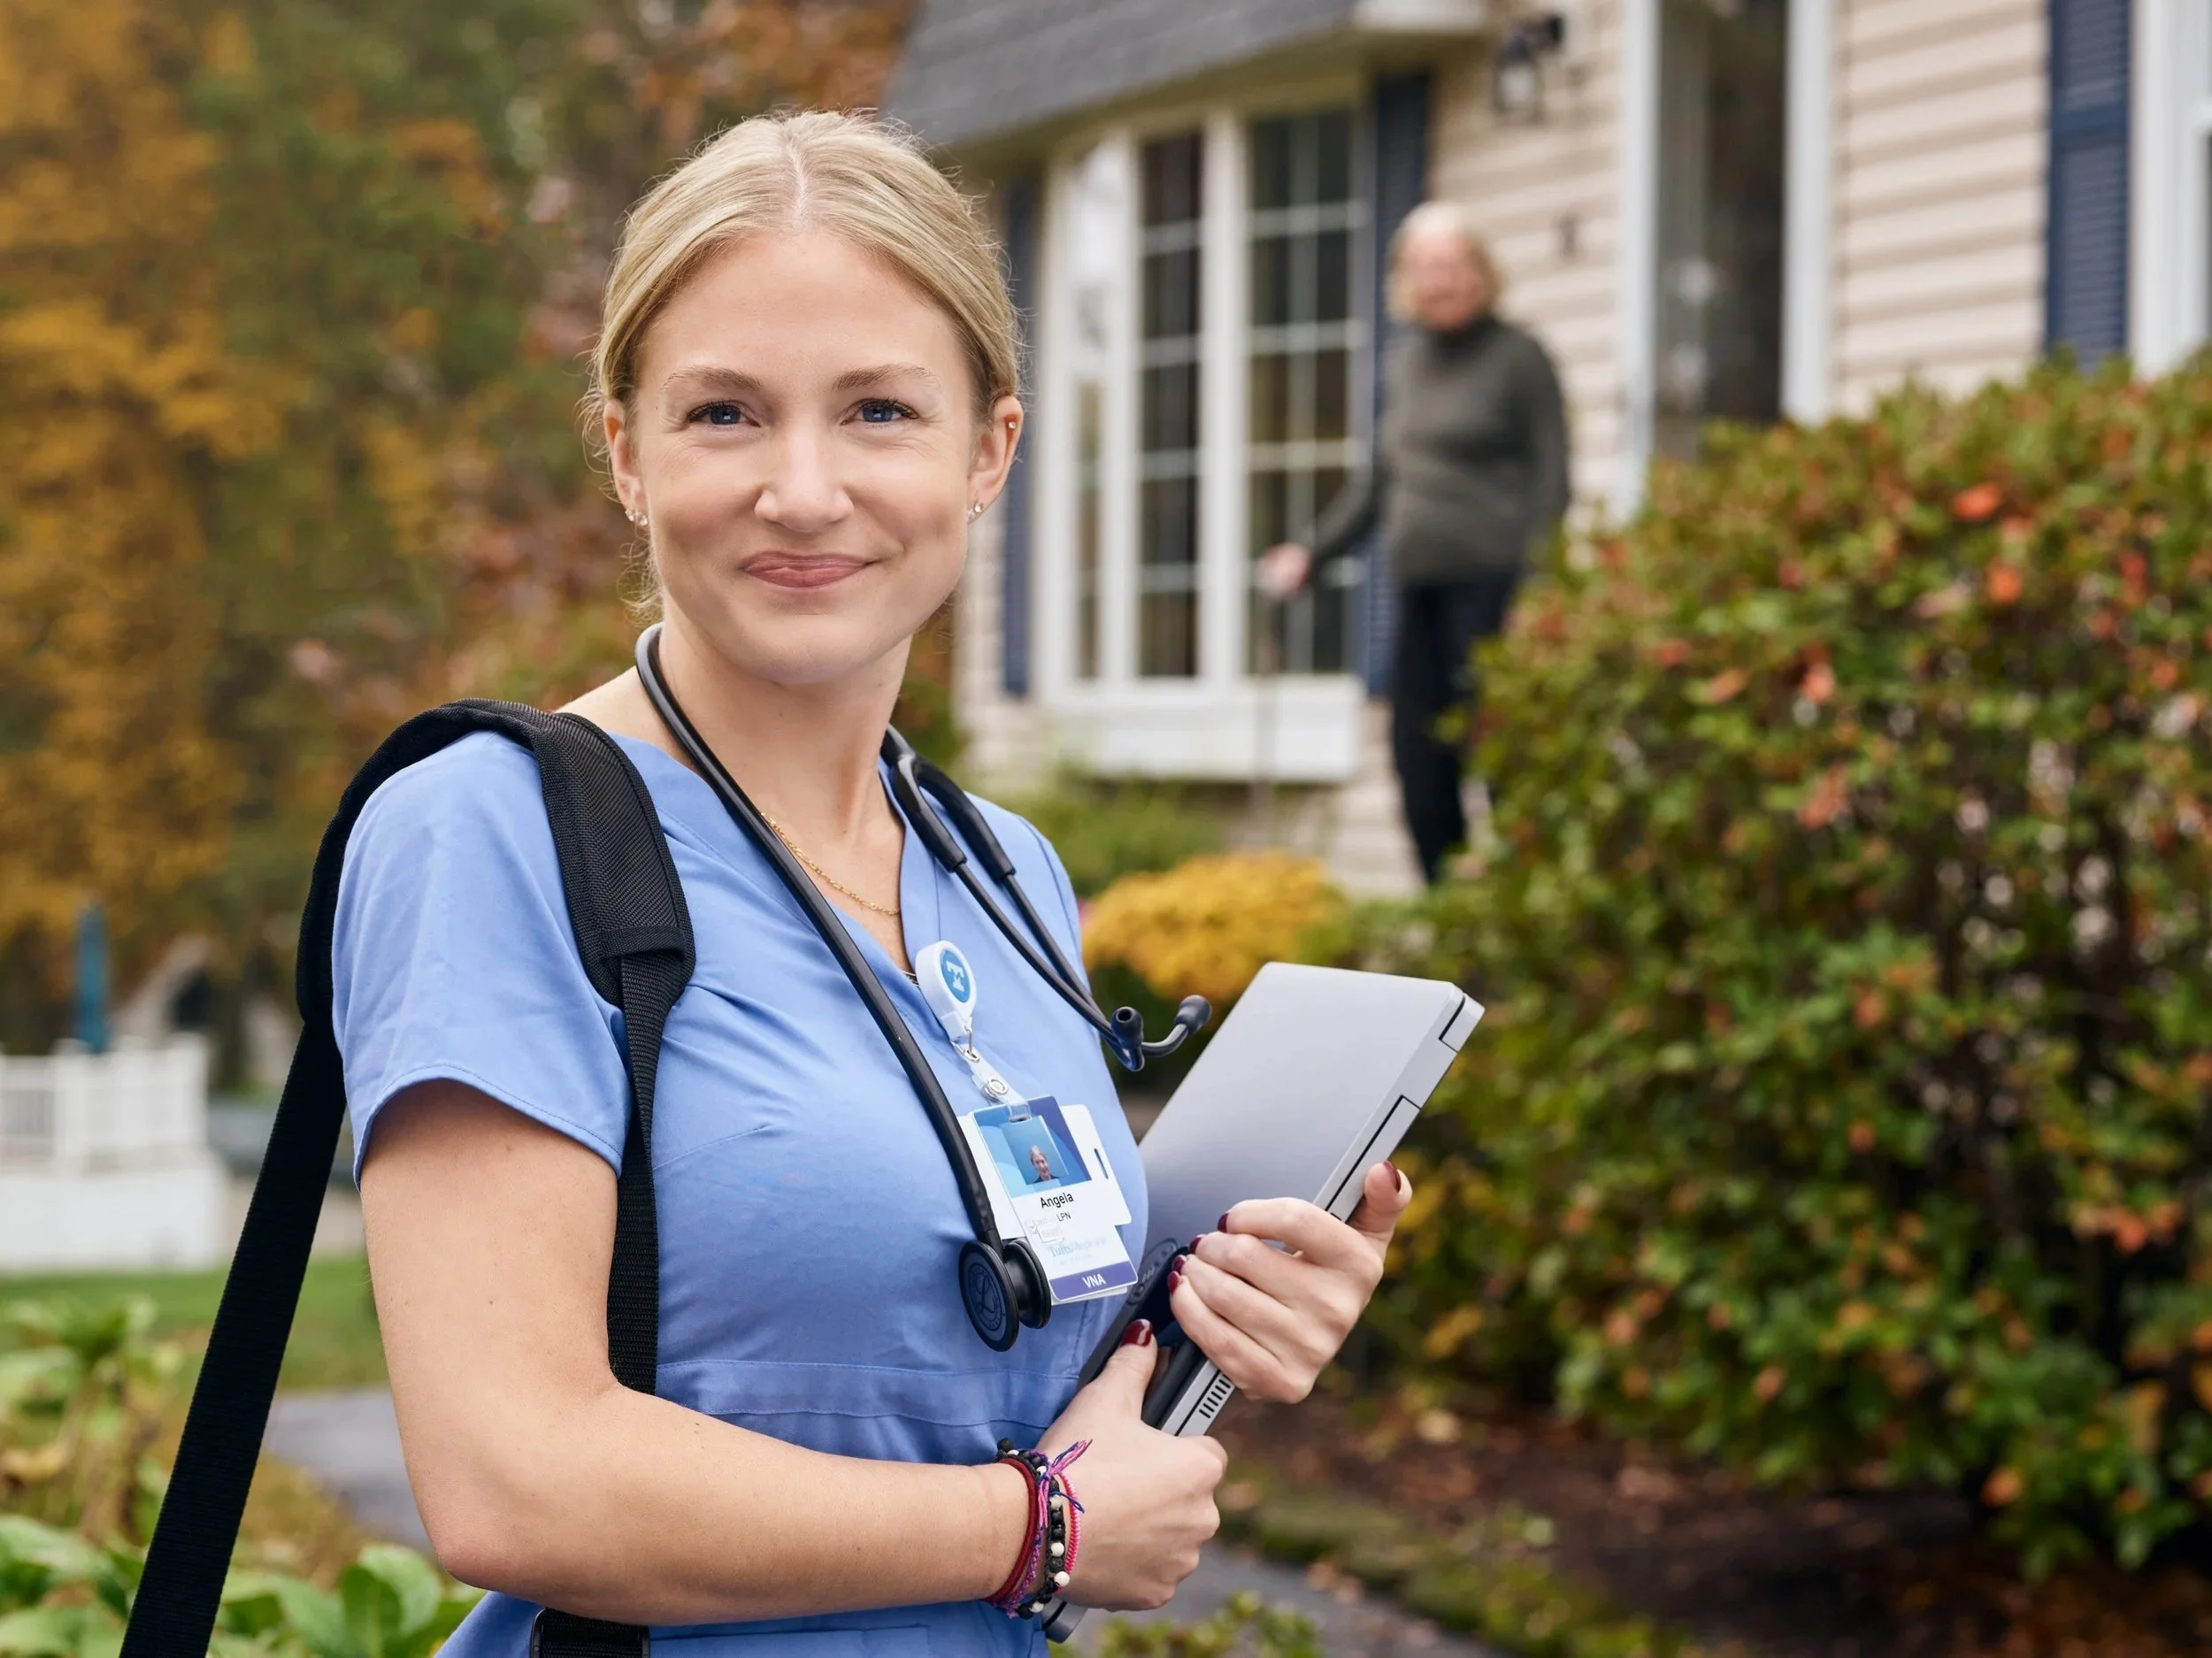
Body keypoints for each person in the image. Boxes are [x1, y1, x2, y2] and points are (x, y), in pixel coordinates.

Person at [333, 111, 1413, 1656]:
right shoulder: (494, 830)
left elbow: (972, 1377)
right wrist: (1032, 1528)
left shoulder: (1005, 869)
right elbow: (515, 1477)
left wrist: (1211, 1327)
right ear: (626, 454)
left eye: (879, 410)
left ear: (989, 450)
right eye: (723, 413)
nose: (803, 488)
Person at [1258, 203, 1570, 885]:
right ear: (1406, 280)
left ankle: (1523, 915)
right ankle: (1453, 918)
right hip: (1421, 593)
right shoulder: (1406, 366)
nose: (1442, 281)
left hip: (1495, 597)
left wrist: (1539, 594)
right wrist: (1310, 552)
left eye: (1455, 266)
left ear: (1482, 272)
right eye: (1428, 269)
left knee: (1505, 765)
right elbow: (1378, 483)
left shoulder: (1519, 358)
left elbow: (1552, 485)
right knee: (1420, 767)